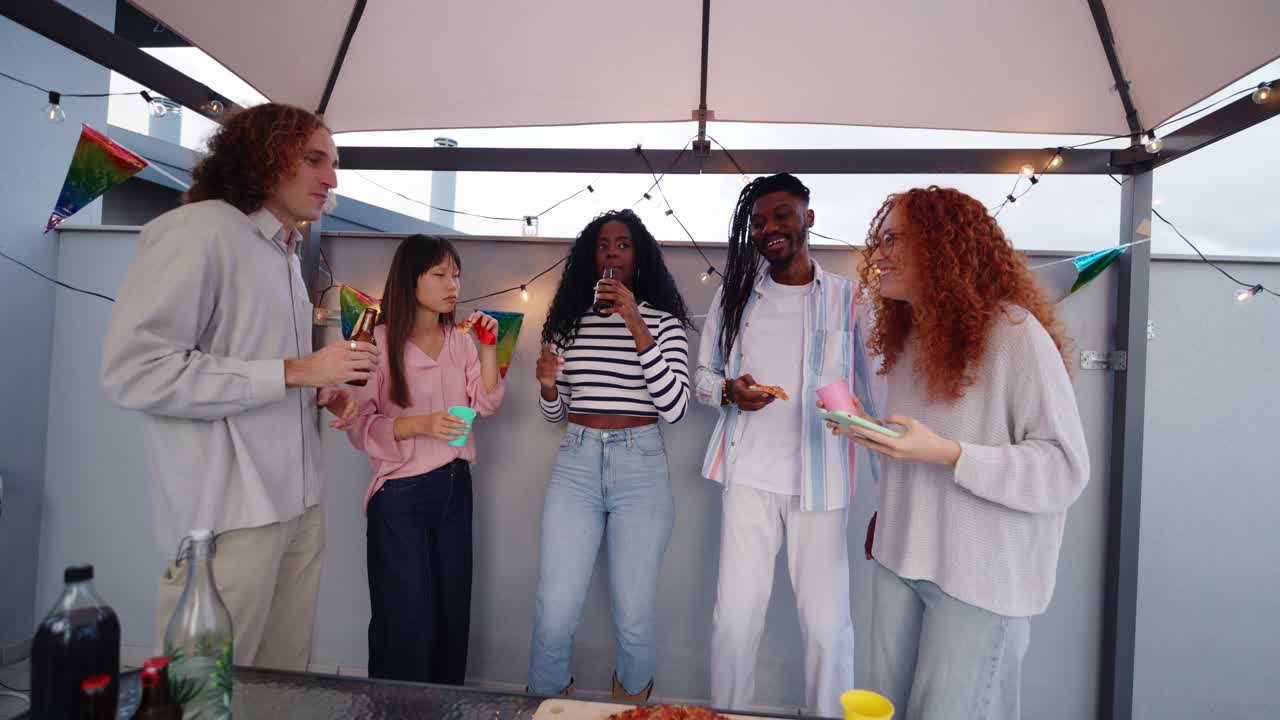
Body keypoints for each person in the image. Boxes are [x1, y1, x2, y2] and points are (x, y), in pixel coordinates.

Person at [101, 103, 374, 670]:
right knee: (204, 697)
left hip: (298, 506)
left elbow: (262, 367)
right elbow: (136, 372)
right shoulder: (194, 232)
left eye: (335, 162)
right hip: (227, 518)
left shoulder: (284, 253)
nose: (332, 178)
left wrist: (319, 389)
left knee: (279, 690)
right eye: (315, 159)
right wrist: (297, 372)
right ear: (264, 157)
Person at [830, 186, 1089, 720]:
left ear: (942, 246)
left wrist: (949, 454)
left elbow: (1064, 469)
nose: (878, 255)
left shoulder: (1013, 332)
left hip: (979, 580)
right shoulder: (906, 337)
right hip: (900, 559)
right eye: (878, 241)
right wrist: (872, 430)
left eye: (893, 239)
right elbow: (923, 441)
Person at [693, 173, 880, 718]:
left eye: (780, 216)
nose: (768, 229)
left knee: (827, 629)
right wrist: (727, 390)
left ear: (808, 219)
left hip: (821, 483)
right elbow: (702, 378)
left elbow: (874, 391)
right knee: (734, 622)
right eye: (757, 222)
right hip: (748, 476)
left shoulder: (851, 299)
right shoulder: (734, 297)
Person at [527, 209, 692, 701]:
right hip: (576, 463)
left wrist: (636, 322)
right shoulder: (567, 322)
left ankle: (630, 711)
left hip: (640, 468)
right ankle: (547, 708)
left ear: (638, 256)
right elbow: (554, 416)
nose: (613, 252)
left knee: (634, 615)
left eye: (623, 244)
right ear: (591, 257)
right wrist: (548, 385)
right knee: (554, 610)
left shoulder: (664, 323)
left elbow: (675, 408)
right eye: (604, 245)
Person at [345, 234, 506, 684]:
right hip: (400, 498)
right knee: (406, 626)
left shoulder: (460, 342)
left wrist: (490, 347)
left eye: (455, 275)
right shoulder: (375, 342)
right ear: (410, 279)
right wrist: (420, 424)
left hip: (456, 491)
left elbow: (488, 404)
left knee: (452, 622)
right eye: (439, 274)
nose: (452, 284)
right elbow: (360, 426)